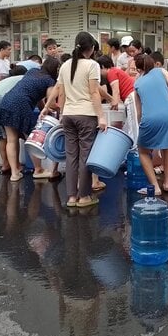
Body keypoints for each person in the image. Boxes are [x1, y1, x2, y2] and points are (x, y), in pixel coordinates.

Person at [42, 32, 105, 208]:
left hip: (68, 115)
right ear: (91, 48)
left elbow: (59, 91)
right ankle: (84, 197)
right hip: (86, 115)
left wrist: (53, 110)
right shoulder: (92, 65)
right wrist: (101, 116)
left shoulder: (65, 65)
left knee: (71, 157)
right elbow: (94, 92)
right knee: (85, 156)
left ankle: (71, 197)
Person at [133, 54, 168, 195]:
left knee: (143, 151)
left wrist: (141, 125)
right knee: (166, 146)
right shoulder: (161, 71)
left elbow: (139, 111)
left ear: (139, 69)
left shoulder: (137, 83)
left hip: (151, 118)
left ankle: (155, 187)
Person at [0, 58, 61, 182]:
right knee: (32, 138)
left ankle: (14, 173)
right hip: (22, 105)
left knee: (11, 139)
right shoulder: (49, 80)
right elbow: (51, 102)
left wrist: (43, 109)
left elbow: (37, 97)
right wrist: (60, 109)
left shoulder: (32, 71)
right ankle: (38, 170)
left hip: (7, 101)